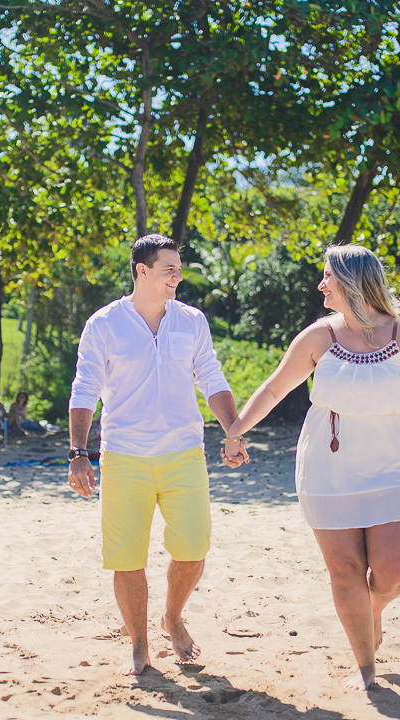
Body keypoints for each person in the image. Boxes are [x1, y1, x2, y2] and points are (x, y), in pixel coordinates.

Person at [220, 244, 400, 691]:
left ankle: (373, 610)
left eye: (328, 276)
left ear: (351, 281)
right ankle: (365, 666)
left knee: (394, 569)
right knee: (344, 570)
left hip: (394, 463)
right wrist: (236, 430)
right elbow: (272, 390)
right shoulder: (318, 336)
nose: (321, 285)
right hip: (328, 465)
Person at [67, 234, 248, 676]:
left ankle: (172, 617)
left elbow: (211, 377)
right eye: (168, 269)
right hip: (124, 456)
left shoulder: (192, 321)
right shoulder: (104, 323)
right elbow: (85, 389)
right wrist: (78, 452)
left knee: (193, 548)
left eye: (178, 268)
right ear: (141, 271)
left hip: (184, 453)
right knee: (127, 558)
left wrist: (234, 430)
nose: (177, 276)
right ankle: (140, 645)